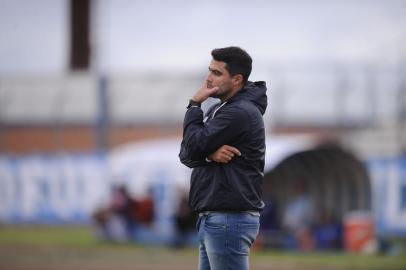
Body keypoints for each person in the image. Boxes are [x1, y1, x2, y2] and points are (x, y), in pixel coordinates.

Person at [179, 46, 268, 270]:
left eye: (217, 73)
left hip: (228, 218)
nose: (208, 79)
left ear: (237, 79)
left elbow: (193, 144)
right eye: (209, 71)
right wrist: (209, 155)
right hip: (216, 217)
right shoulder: (220, 109)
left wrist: (194, 104)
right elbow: (186, 153)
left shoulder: (238, 112)